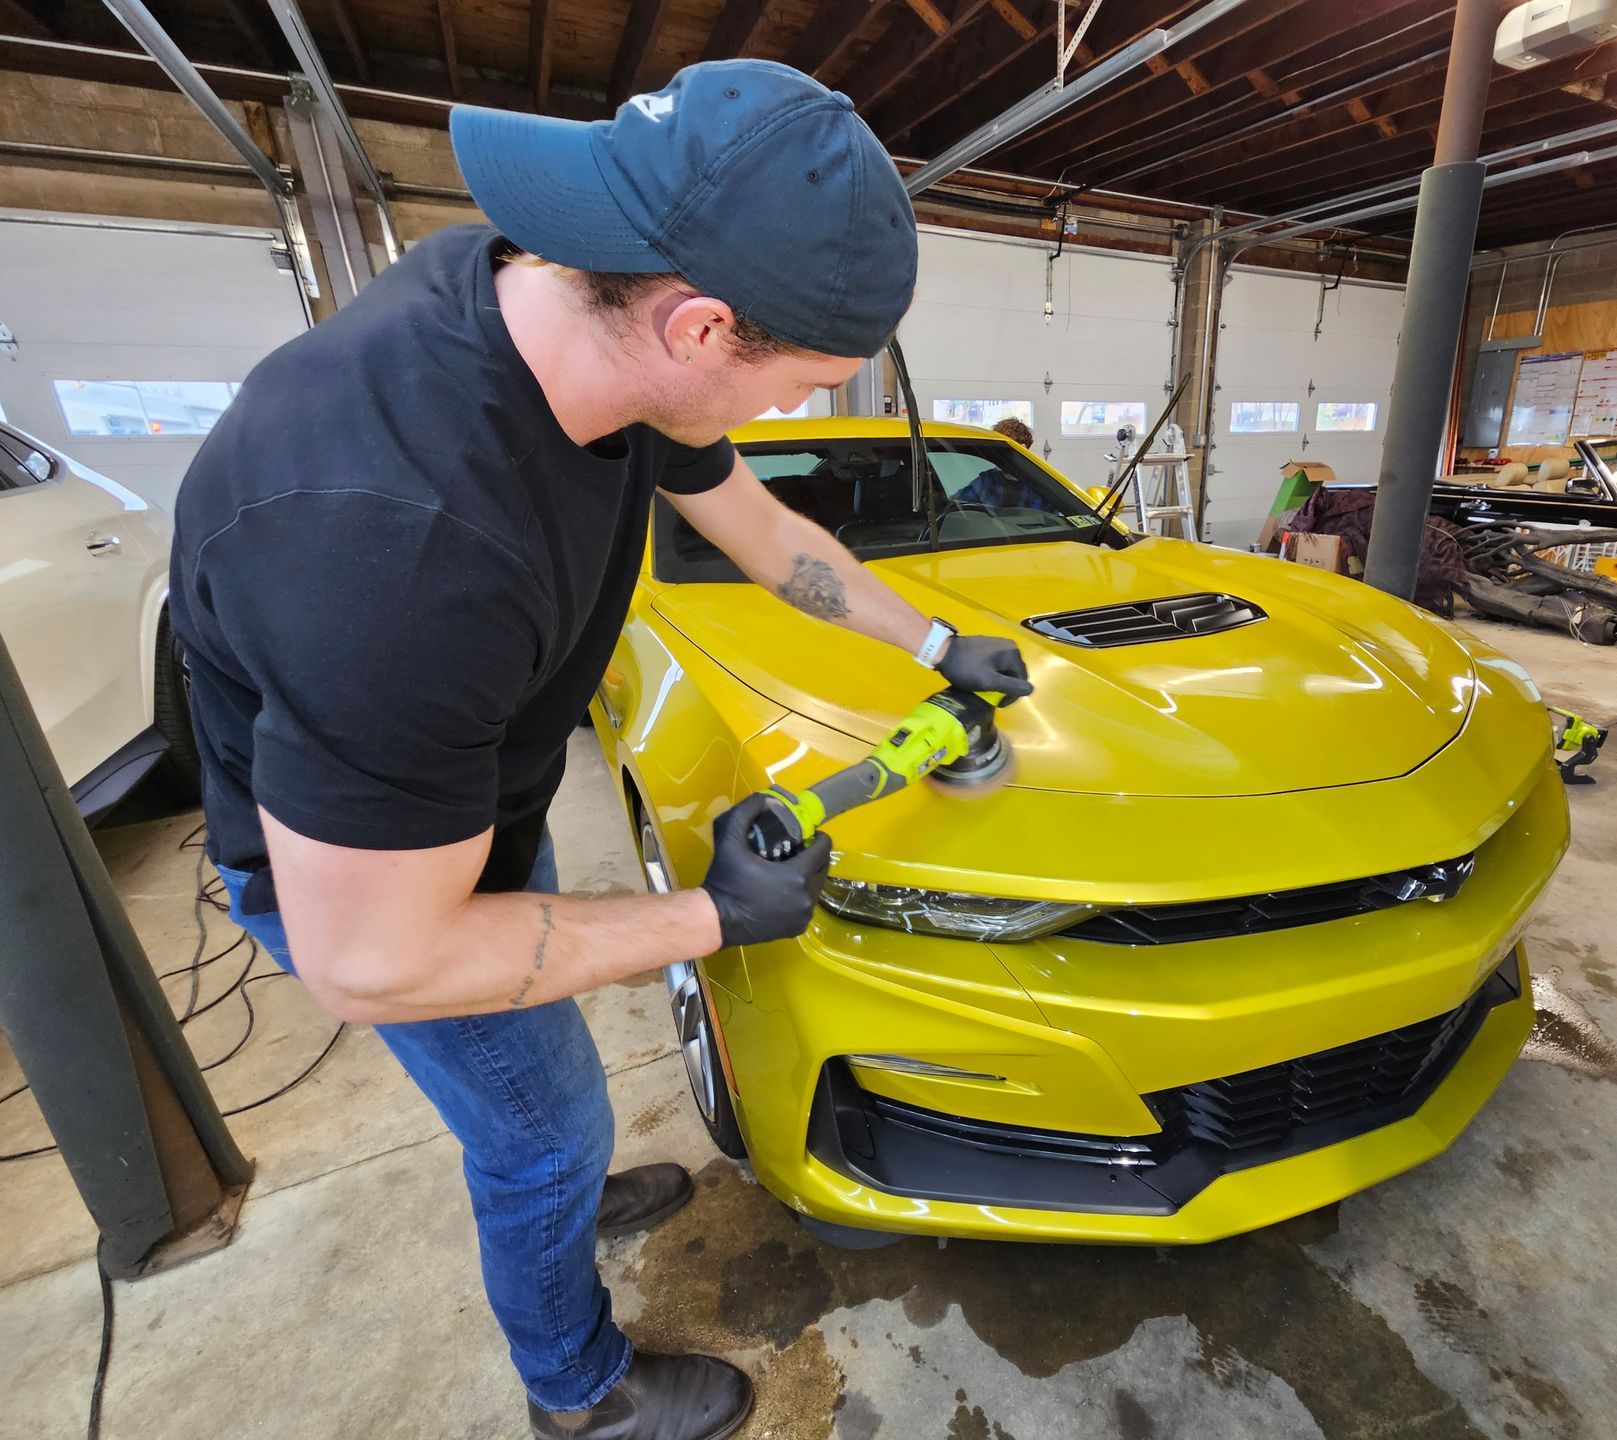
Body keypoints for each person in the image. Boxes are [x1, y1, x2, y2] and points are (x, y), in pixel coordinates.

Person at [169, 60, 1030, 1440]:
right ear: (699, 329)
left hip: (470, 799)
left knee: (547, 1042)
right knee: (541, 1124)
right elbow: (371, 962)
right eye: (801, 386)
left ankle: (563, 1181)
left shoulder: (567, 320)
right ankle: (578, 1389)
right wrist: (709, 918)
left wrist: (930, 649)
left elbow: (763, 534)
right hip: (357, 888)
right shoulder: (395, 547)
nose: (790, 413)